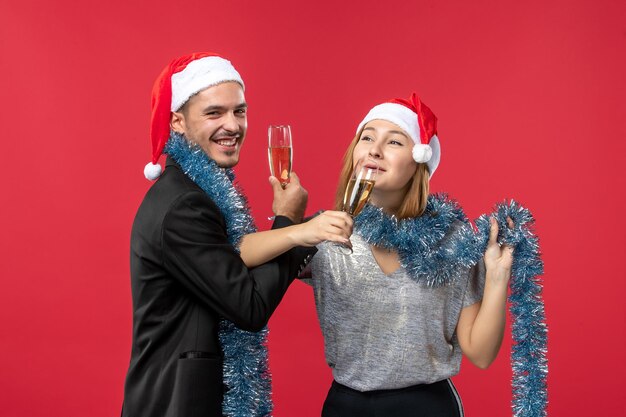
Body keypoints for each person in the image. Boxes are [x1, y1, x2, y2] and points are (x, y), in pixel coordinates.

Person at [121, 52, 352, 417]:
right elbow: (248, 305)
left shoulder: (202, 192)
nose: (232, 125)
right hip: (179, 403)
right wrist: (290, 223)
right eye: (214, 113)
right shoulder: (183, 205)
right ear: (178, 122)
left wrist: (300, 232)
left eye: (239, 111)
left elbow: (235, 259)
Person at [300, 93, 518, 417]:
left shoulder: (452, 239)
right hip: (345, 406)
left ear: (419, 160)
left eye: (395, 142)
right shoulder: (324, 231)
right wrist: (290, 225)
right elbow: (239, 260)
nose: (374, 148)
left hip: (426, 407)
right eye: (367, 137)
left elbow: (481, 354)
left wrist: (497, 277)